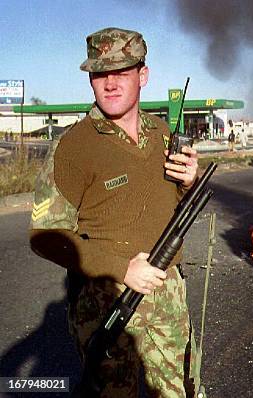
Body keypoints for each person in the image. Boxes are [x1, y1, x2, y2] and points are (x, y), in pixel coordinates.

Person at [29, 28, 199, 397]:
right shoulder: (73, 146)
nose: (110, 84)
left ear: (143, 76)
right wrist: (123, 269)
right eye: (100, 74)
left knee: (178, 391)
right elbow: (44, 236)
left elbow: (175, 206)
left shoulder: (161, 133)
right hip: (106, 298)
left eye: (121, 72)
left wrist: (188, 180)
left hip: (167, 294)